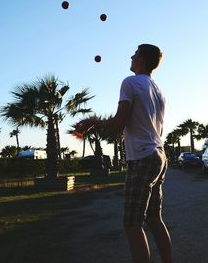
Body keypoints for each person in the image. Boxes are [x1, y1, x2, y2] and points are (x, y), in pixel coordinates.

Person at [75, 44, 172, 263]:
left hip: (143, 157)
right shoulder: (158, 89)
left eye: (135, 53)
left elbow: (119, 124)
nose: (131, 56)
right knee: (155, 219)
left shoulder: (130, 83)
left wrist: (92, 123)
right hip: (159, 155)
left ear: (142, 60)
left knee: (132, 223)